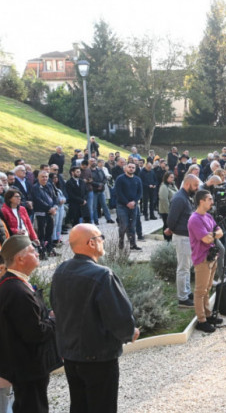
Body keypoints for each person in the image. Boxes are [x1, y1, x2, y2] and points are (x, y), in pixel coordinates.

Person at [51, 224, 138, 413]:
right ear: (91, 243)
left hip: (71, 356)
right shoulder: (102, 275)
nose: (103, 241)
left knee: (79, 405)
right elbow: (120, 317)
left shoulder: (61, 271)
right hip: (98, 358)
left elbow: (56, 308)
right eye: (101, 237)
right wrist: (130, 333)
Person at [0, 236, 61, 413]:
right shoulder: (17, 290)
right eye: (32, 250)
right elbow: (35, 333)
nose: (37, 253)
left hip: (24, 366)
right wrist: (56, 319)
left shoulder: (14, 284)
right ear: (20, 259)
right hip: (27, 367)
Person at [187, 190, 224, 333]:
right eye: (209, 199)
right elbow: (206, 239)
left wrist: (212, 234)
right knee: (200, 291)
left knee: (208, 288)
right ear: (201, 201)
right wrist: (213, 235)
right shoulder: (194, 219)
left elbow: (220, 233)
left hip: (212, 256)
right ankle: (201, 320)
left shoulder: (208, 216)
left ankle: (208, 315)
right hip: (202, 258)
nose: (212, 202)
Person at [166, 174, 199, 308]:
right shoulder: (179, 198)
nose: (197, 188)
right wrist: (173, 229)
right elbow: (171, 220)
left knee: (187, 267)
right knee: (183, 268)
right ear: (187, 184)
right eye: (195, 185)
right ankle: (183, 298)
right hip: (182, 237)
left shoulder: (186, 197)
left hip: (187, 237)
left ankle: (187, 291)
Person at [113, 163, 143, 252]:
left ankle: (133, 245)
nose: (131, 169)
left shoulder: (137, 179)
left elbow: (140, 193)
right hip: (122, 206)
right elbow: (118, 192)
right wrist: (127, 203)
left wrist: (134, 201)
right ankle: (121, 244)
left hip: (134, 206)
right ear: (126, 168)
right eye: (129, 167)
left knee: (132, 226)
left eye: (133, 167)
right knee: (124, 225)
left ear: (135, 169)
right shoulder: (120, 179)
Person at [31, 171, 58, 259]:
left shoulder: (50, 185)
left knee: (49, 232)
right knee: (41, 234)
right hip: (41, 213)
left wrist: (54, 207)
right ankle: (42, 253)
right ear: (38, 177)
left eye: (46, 177)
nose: (45, 178)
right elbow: (38, 200)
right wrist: (49, 208)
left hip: (51, 213)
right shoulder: (35, 187)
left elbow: (54, 197)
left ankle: (50, 250)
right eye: (42, 177)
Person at [159, 172, 177, 242]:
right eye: (171, 177)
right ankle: (167, 241)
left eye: (173, 177)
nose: (172, 179)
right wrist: (168, 211)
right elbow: (164, 199)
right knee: (167, 225)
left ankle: (171, 240)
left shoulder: (173, 185)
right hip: (166, 210)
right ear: (166, 177)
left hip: (173, 209)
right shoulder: (164, 186)